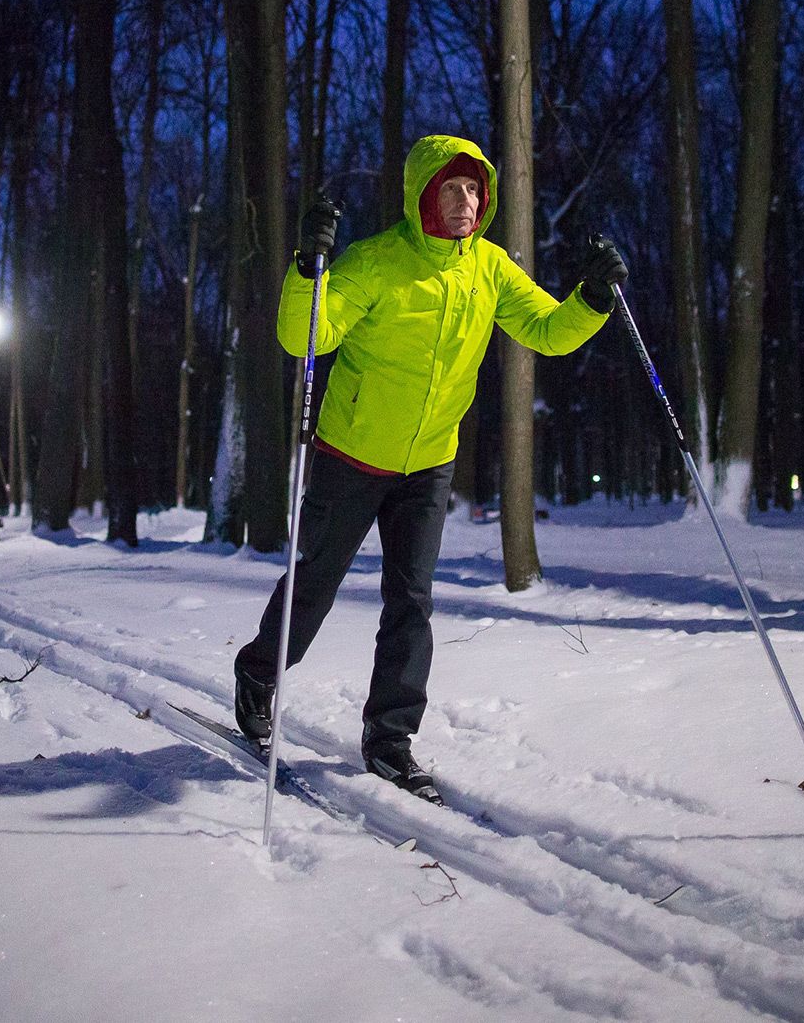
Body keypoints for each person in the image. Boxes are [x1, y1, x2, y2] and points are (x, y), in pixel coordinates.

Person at [233, 133, 627, 806]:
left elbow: (549, 332)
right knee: (316, 582)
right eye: (451, 187)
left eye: (474, 188)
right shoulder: (376, 262)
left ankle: (389, 737)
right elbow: (306, 336)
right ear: (423, 196)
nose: (466, 199)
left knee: (411, 601)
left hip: (429, 462)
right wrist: (307, 267)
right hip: (350, 452)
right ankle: (260, 674)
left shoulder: (492, 269)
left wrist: (591, 297)